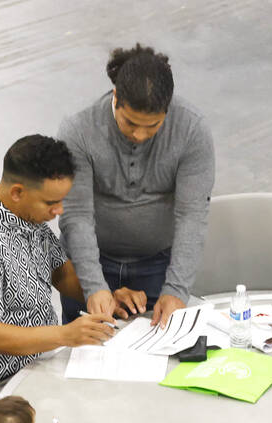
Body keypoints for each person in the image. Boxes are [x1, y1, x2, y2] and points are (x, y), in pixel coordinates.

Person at [0, 134, 116, 418]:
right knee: (77, 420)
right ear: (17, 192)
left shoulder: (27, 217)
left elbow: (62, 274)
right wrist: (65, 335)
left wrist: (104, 293)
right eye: (51, 203)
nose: (59, 211)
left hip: (36, 362)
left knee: (107, 401)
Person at [58, 44, 215, 327]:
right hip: (90, 263)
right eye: (130, 123)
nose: (139, 135)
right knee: (84, 358)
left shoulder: (192, 130)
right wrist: (94, 287)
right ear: (115, 97)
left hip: (158, 265)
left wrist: (176, 290)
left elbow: (192, 215)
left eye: (152, 125)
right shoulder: (79, 130)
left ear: (167, 110)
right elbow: (77, 216)